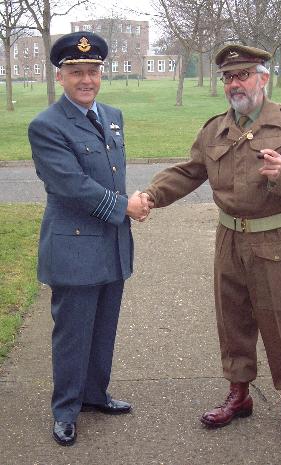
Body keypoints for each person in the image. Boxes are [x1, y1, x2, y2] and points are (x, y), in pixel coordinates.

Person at [143, 44, 281, 441]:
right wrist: (152, 196)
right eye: (228, 77)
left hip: (274, 239)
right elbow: (189, 172)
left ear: (262, 77)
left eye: (242, 74)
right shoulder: (214, 129)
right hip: (229, 238)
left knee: (280, 320)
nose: (234, 84)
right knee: (233, 320)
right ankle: (239, 393)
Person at [28, 31, 149, 446]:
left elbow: (110, 174)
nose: (86, 79)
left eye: (93, 71)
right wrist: (124, 207)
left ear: (101, 73)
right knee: (73, 333)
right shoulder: (46, 125)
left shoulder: (112, 114)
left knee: (103, 327)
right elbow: (71, 185)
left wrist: (128, 204)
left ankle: (96, 395)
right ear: (61, 76)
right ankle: (65, 409)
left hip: (112, 245)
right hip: (74, 247)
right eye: (76, 71)